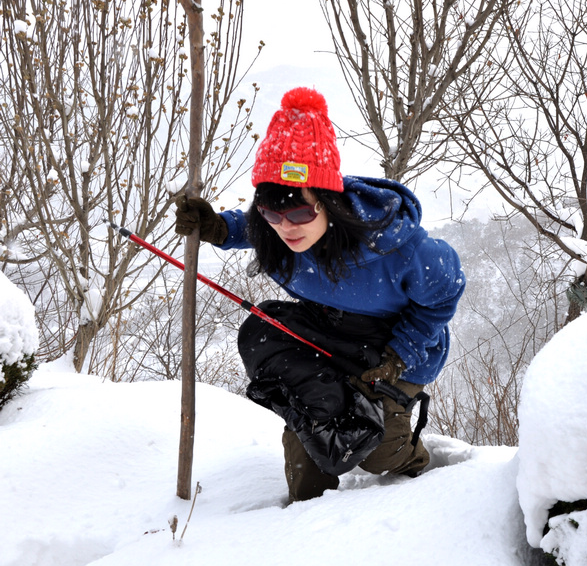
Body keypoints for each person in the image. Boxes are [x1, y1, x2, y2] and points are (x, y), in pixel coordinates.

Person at [173, 86, 465, 502]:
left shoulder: (398, 248)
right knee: (313, 444)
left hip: (392, 348)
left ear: (329, 201)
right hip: (328, 332)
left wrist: (400, 354)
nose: (286, 227)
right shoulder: (275, 229)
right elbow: (251, 226)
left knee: (377, 451)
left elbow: (445, 291)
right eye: (273, 213)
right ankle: (306, 527)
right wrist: (218, 227)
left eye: (300, 212)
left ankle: (416, 462)